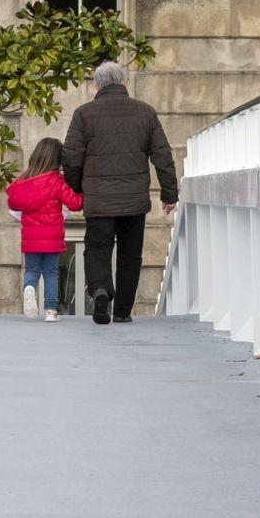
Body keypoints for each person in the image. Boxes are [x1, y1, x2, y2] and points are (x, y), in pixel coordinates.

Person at [60, 60, 178, 327]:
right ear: (125, 83)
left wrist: (78, 188)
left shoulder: (83, 114)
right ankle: (123, 310)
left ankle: (101, 290)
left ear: (96, 86)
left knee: (97, 249)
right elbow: (162, 156)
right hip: (134, 201)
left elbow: (71, 158)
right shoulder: (145, 113)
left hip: (99, 199)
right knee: (130, 255)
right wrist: (169, 194)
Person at [3, 136, 81, 321]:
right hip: (52, 235)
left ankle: (29, 288)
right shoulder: (57, 181)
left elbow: (13, 204)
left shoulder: (24, 181)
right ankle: (50, 311)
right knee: (51, 272)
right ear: (57, 160)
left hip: (30, 236)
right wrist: (83, 192)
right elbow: (74, 203)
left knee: (32, 270)